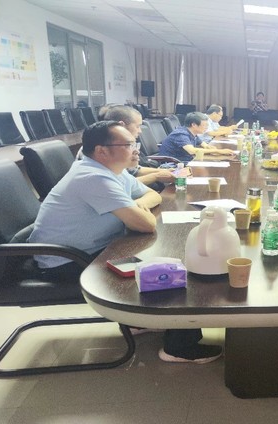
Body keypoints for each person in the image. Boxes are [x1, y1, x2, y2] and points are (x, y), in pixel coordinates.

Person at [29, 121, 223, 364]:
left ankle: (141, 322)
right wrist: (137, 211)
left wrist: (136, 205)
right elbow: (145, 224)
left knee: (168, 249)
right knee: (176, 264)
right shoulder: (92, 178)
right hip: (66, 261)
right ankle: (179, 347)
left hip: (95, 247)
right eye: (128, 144)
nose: (136, 149)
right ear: (102, 151)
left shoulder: (112, 171)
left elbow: (151, 194)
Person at [104, 106, 175, 189]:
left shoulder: (123, 144)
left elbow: (135, 170)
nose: (140, 131)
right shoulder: (110, 148)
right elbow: (121, 185)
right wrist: (156, 176)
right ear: (121, 125)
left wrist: (164, 171)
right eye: (137, 126)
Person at [158, 112, 235, 162]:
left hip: (186, 160)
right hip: (173, 164)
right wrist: (218, 151)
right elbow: (192, 151)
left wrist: (210, 148)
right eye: (205, 125)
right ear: (194, 125)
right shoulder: (181, 134)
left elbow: (204, 145)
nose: (207, 127)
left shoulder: (193, 133)